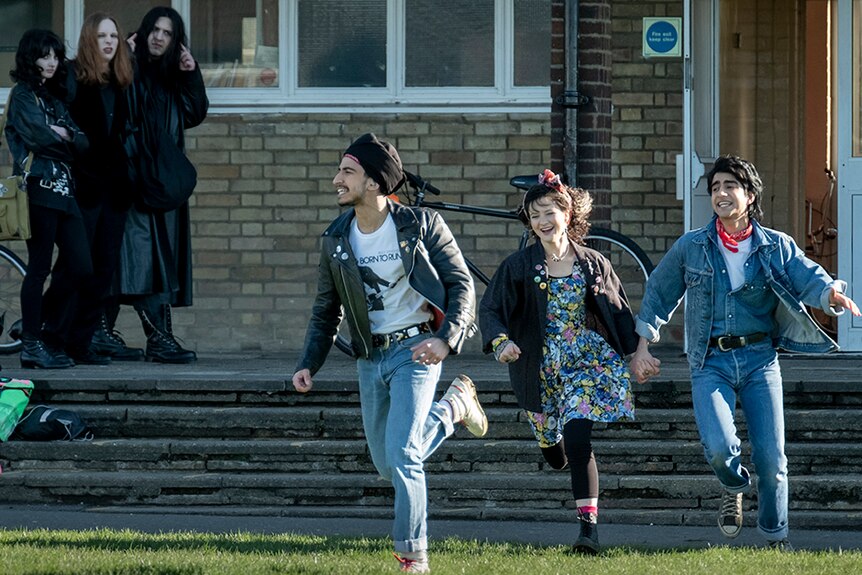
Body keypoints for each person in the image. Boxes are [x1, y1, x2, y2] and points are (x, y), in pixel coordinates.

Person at [630, 154, 861, 550]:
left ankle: (774, 538)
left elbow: (808, 276)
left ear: (750, 195)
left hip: (760, 361)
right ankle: (733, 484)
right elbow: (659, 292)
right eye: (715, 187)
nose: (721, 194)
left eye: (729, 186)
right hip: (710, 361)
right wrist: (642, 348)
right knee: (720, 447)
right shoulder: (692, 246)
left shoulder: (775, 245)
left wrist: (831, 294)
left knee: (772, 462)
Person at [292, 133, 488, 573]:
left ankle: (412, 555)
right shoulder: (337, 238)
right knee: (387, 465)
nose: (336, 180)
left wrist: (448, 339)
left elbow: (461, 285)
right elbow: (327, 310)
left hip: (416, 349)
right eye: (340, 170)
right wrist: (309, 363)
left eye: (348, 172)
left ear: (375, 184)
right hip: (369, 357)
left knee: (402, 455)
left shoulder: (421, 225)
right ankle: (454, 407)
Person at [479, 169, 638, 555]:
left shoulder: (593, 262)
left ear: (568, 213)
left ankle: (588, 531)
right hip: (537, 364)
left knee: (580, 439)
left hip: (586, 361)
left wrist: (638, 353)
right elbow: (491, 310)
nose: (543, 221)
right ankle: (553, 444)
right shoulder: (518, 266)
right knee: (555, 450)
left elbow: (619, 312)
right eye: (535, 215)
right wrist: (501, 342)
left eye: (550, 211)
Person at [107, 6, 208, 363]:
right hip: (134, 181)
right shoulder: (128, 71)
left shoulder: (172, 78)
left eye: (167, 33)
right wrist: (128, 59)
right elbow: (119, 109)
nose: (158, 37)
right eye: (154, 30)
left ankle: (101, 333)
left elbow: (194, 113)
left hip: (162, 184)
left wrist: (191, 73)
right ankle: (158, 338)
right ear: (144, 32)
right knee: (138, 258)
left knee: (143, 259)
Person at [55, 12, 141, 364]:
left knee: (103, 269)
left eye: (114, 36)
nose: (109, 42)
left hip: (114, 190)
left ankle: (80, 342)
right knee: (77, 265)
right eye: (102, 36)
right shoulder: (72, 78)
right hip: (82, 188)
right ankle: (52, 336)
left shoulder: (120, 81)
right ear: (89, 39)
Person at [4, 29, 90, 369]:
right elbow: (40, 139)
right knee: (39, 268)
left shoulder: (54, 100)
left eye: (55, 55)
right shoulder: (23, 96)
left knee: (81, 265)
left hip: (65, 192)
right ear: (30, 58)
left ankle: (41, 328)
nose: (52, 62)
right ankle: (32, 346)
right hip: (38, 189)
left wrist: (66, 134)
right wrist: (63, 139)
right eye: (45, 56)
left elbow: (83, 143)